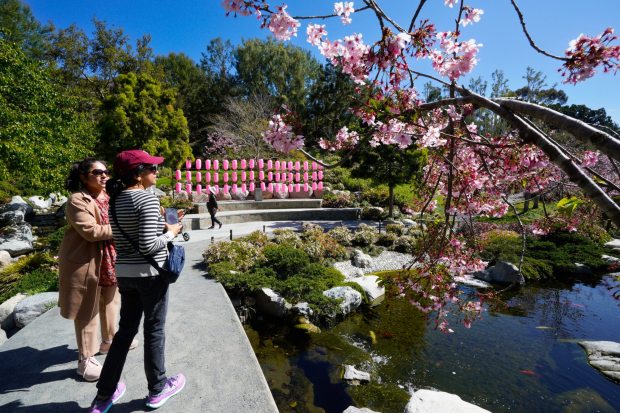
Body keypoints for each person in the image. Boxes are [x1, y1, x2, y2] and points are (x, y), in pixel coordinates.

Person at [89, 150, 185, 413]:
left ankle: (104, 395)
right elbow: (148, 244)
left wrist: (162, 226)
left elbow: (129, 237)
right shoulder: (147, 199)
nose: (157, 172)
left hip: (125, 274)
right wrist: (172, 233)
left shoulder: (115, 201)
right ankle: (158, 389)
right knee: (154, 331)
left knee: (124, 333)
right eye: (152, 168)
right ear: (139, 173)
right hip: (150, 277)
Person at [58, 158, 138, 382]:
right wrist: (126, 226)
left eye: (106, 171)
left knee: (111, 301)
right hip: (85, 261)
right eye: (97, 172)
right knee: (88, 309)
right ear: (84, 176)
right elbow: (91, 232)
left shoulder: (110, 195)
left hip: (110, 256)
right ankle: (85, 360)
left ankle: (110, 341)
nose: (104, 175)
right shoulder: (77, 200)